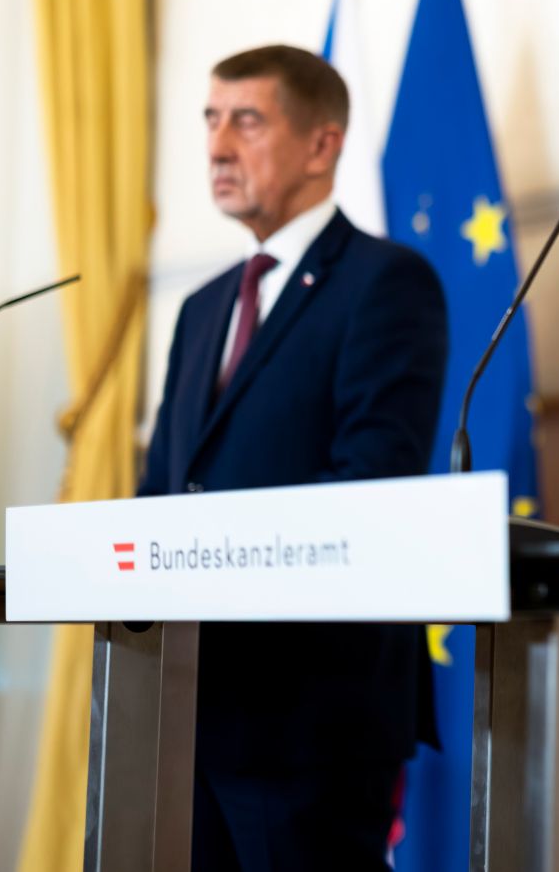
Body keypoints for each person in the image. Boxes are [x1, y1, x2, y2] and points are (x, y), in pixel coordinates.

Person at [139, 45, 448, 871]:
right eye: (210, 119)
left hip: (312, 716)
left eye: (247, 120)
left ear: (322, 145)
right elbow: (161, 490)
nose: (216, 146)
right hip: (187, 702)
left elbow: (372, 482)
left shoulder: (387, 282)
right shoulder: (204, 309)